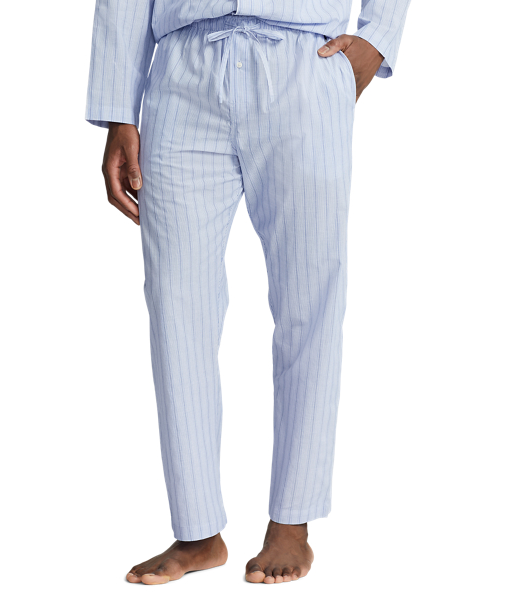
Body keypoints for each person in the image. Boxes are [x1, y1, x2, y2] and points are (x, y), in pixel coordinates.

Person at [86, 0, 411, 585]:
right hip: (181, 72)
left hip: (304, 61)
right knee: (176, 306)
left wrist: (379, 35)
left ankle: (292, 522)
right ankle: (197, 532)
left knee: (309, 302)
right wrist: (117, 109)